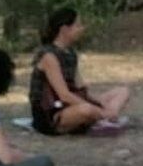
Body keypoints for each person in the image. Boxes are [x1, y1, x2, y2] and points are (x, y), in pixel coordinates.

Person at [30, 7, 130, 135]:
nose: (82, 29)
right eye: (78, 25)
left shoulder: (71, 53)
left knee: (122, 91)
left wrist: (97, 103)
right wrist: (97, 110)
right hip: (53, 111)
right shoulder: (49, 56)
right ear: (65, 29)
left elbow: (80, 87)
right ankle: (104, 117)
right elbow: (64, 95)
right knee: (86, 110)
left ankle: (103, 117)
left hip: (72, 103)